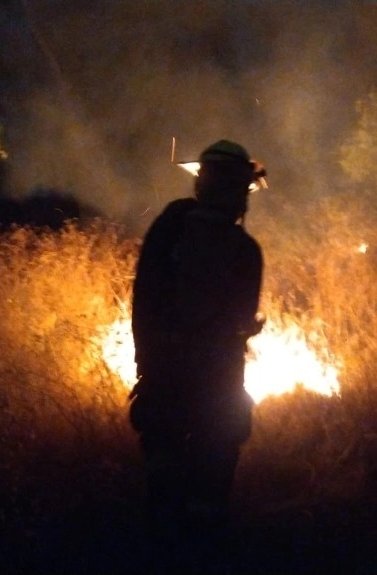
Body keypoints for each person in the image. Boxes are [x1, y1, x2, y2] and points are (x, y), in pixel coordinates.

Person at [128, 139, 266, 565]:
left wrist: (146, 360)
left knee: (163, 481)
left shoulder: (170, 226)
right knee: (211, 483)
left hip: (164, 377)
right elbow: (242, 319)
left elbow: (143, 297)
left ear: (202, 182)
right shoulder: (246, 250)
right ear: (240, 190)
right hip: (218, 383)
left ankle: (162, 553)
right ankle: (201, 554)